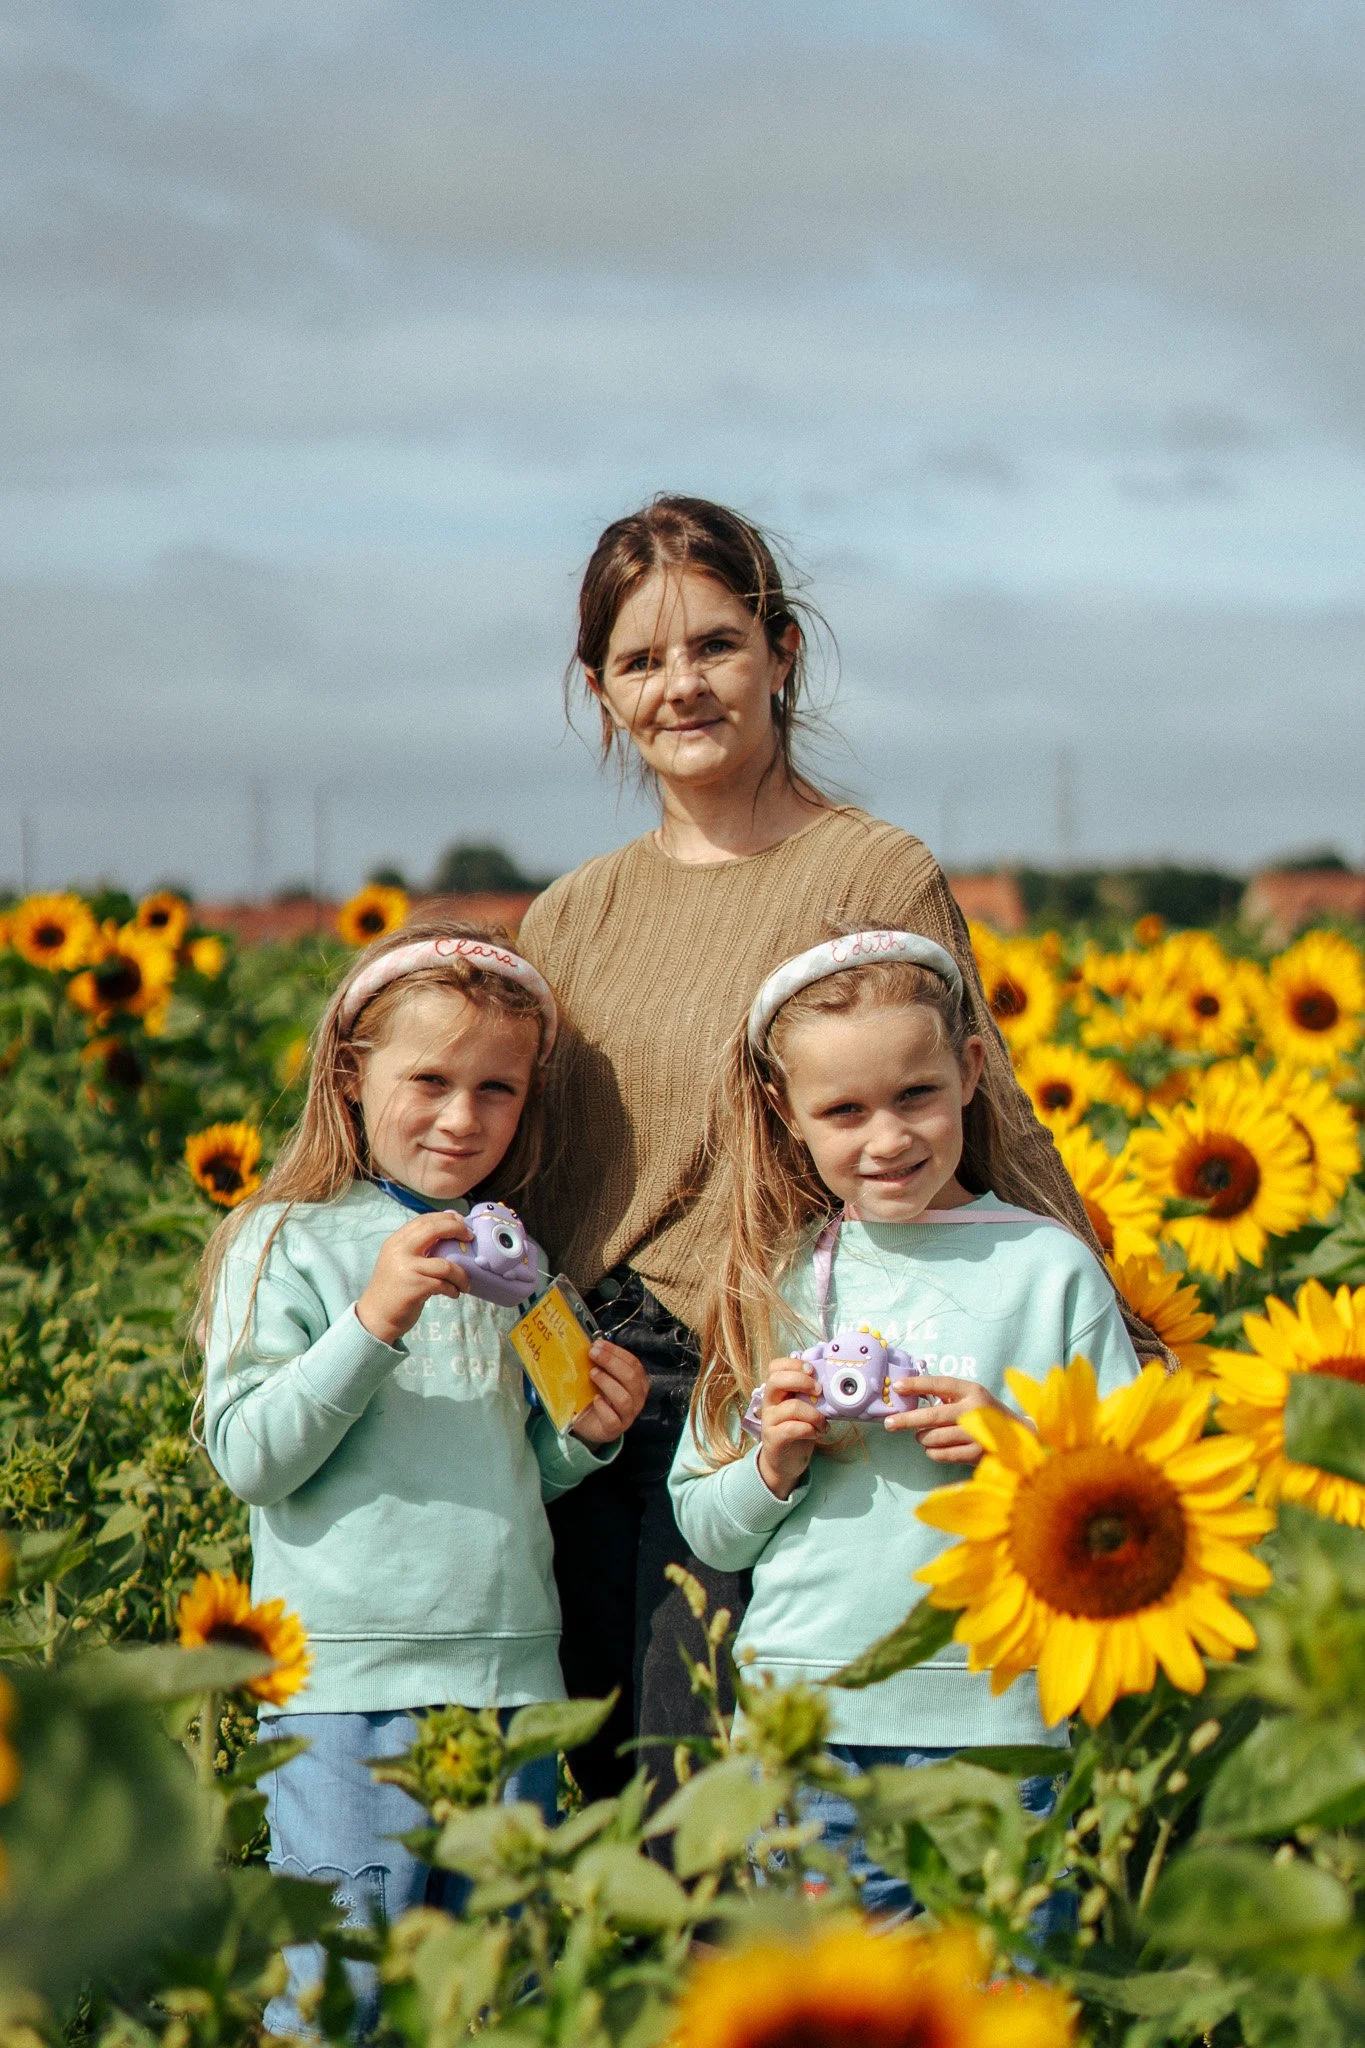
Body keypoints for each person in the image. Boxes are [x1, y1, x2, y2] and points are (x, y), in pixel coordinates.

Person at [517, 494, 1163, 1804]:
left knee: (698, 1814)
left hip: (752, 1383)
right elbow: (521, 1178)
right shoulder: (570, 914)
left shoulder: (867, 872)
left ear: (782, 651)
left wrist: (1122, 1355)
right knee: (582, 1793)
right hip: (579, 1397)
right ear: (598, 689)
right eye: (640, 661)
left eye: (713, 645)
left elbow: (983, 1113)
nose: (679, 686)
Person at [197, 920, 647, 2031]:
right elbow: (251, 1455)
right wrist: (376, 1316)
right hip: (349, 1687)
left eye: (498, 1087)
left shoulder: (517, 1256)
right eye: (430, 1079)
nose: (462, 1115)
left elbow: (521, 1468)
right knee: (343, 1989)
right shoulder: (282, 1238)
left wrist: (590, 1429)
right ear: (352, 1073)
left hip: (513, 1680)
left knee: (498, 1992)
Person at [669, 929, 1142, 1914]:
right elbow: (705, 1523)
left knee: (999, 2001)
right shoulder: (779, 1277)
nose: (886, 1138)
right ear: (785, 1113)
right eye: (844, 1109)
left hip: (998, 1712)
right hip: (804, 1719)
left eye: (915, 1096)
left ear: (970, 1071)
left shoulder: (1045, 1265)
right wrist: (775, 1458)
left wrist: (1019, 1445)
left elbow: (1135, 1491)